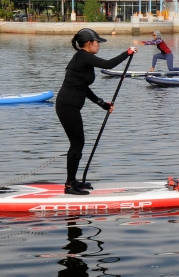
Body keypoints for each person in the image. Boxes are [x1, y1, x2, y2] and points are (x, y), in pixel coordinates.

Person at [56, 28, 137, 195]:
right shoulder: (83, 56)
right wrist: (127, 52)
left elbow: (83, 88)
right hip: (67, 105)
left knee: (78, 143)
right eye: (97, 42)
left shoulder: (84, 59)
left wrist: (102, 104)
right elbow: (108, 65)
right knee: (77, 144)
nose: (99, 45)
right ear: (88, 44)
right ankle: (69, 185)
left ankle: (73, 181)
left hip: (70, 105)